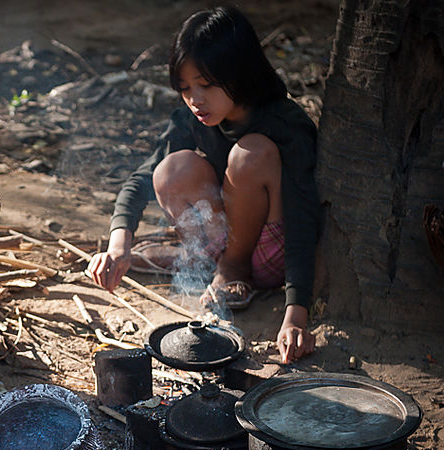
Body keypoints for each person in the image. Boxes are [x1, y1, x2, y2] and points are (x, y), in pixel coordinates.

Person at [87, 6, 321, 364]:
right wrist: (119, 245)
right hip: (222, 241)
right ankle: (211, 266)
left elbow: (304, 215)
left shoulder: (285, 123)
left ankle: (232, 272)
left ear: (239, 72)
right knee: (170, 169)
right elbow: (142, 178)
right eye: (185, 88)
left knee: (249, 155)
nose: (195, 99)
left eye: (206, 85)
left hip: (270, 255)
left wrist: (296, 314)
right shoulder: (192, 117)